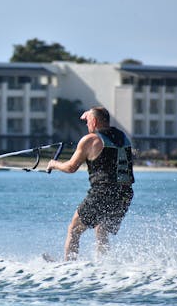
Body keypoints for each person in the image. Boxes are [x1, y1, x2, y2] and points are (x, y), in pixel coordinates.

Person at [47, 106, 134, 260]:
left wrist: (54, 164)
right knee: (101, 229)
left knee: (74, 229)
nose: (87, 125)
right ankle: (103, 264)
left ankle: (68, 266)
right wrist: (93, 114)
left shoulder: (91, 140)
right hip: (124, 194)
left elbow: (71, 167)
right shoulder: (123, 137)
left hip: (103, 192)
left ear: (93, 121)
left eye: (88, 122)